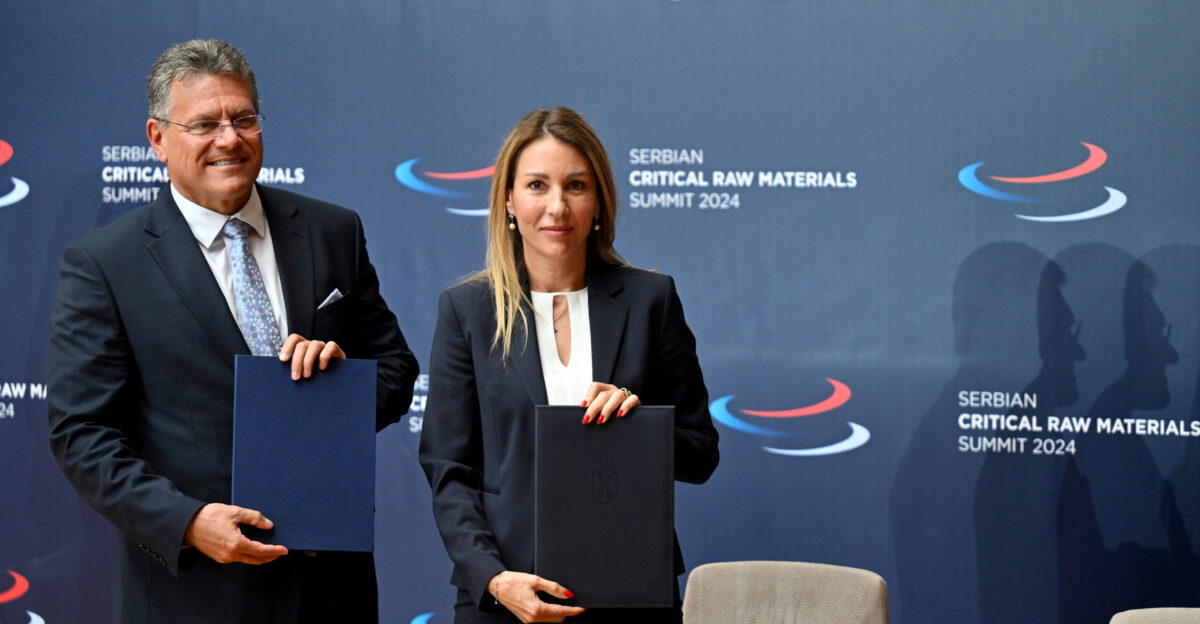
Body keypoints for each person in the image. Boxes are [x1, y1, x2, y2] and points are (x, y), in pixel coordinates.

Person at [46, 39, 418, 623]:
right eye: (205, 124)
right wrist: (188, 523)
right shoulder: (105, 264)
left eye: (243, 119)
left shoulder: (331, 231)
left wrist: (340, 385)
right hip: (193, 592)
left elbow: (397, 368)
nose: (229, 139)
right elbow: (83, 433)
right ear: (157, 139)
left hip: (329, 588)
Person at [419, 107, 719, 624]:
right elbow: (450, 472)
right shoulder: (467, 310)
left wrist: (641, 423)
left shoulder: (653, 301)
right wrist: (493, 578)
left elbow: (701, 455)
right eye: (537, 185)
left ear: (598, 200)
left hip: (631, 593)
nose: (557, 206)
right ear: (509, 201)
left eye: (576, 186)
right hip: (504, 597)